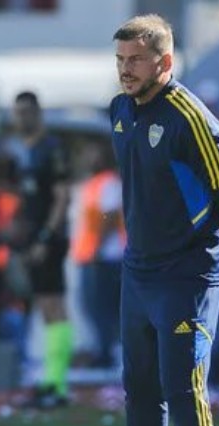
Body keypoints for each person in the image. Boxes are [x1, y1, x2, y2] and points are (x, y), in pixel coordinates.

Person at [87, 14, 219, 426]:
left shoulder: (190, 117)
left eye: (134, 60)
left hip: (186, 275)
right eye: (120, 60)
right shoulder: (119, 111)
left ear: (165, 62)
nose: (124, 70)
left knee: (184, 390)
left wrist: (201, 231)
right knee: (140, 389)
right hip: (139, 270)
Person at [3, 91, 73, 409]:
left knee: (53, 305)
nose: (22, 118)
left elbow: (61, 197)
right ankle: (51, 380)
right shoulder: (27, 152)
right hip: (35, 239)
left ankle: (56, 385)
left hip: (49, 240)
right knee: (46, 308)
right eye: (18, 113)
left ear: (38, 113)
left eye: (27, 112)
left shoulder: (51, 149)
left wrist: (45, 237)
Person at [70, 142, 125, 369]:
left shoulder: (109, 183)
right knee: (90, 305)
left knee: (101, 306)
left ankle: (106, 352)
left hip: (104, 256)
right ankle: (102, 349)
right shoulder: (91, 185)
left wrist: (97, 248)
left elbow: (110, 217)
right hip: (89, 255)